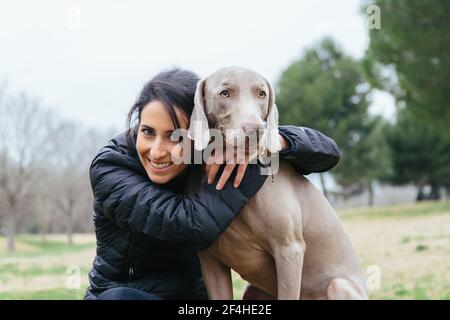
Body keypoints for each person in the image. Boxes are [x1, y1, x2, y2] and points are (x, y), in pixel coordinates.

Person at [84, 68, 340, 300]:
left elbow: (328, 152)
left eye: (175, 137)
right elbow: (191, 226)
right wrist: (247, 156)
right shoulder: (111, 168)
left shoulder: (203, 155)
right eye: (147, 131)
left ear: (200, 130)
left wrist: (273, 140)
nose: (157, 151)